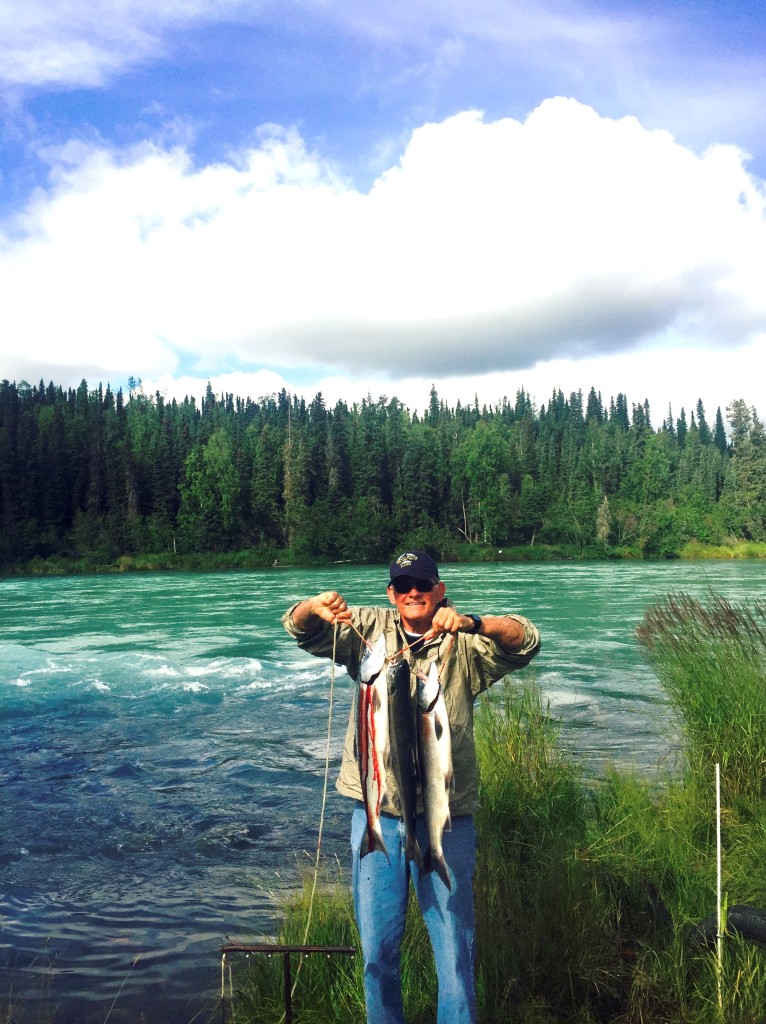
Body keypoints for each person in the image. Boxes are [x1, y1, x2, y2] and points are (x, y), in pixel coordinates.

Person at [282, 550, 541, 1024]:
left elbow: (525, 641)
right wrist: (312, 606)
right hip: (377, 813)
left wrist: (474, 622)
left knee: (455, 957)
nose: (413, 593)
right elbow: (300, 629)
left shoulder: (460, 638)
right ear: (391, 594)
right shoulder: (367, 629)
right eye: (403, 586)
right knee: (377, 952)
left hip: (447, 819)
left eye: (423, 583)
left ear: (439, 589)